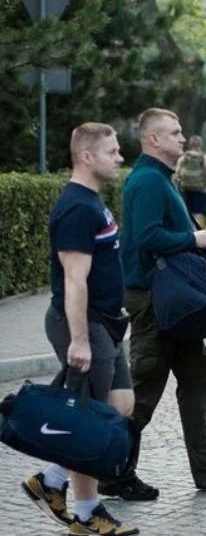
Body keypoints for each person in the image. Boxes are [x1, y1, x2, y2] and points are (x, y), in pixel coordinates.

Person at [104, 108, 206, 501]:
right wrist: (193, 240)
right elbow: (147, 237)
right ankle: (111, 471)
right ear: (152, 139)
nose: (182, 137)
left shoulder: (161, 178)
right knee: (143, 389)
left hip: (176, 299)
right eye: (174, 132)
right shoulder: (147, 181)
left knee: (198, 379)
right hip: (155, 299)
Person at [20, 123, 140, 535]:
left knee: (120, 405)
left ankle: (51, 478)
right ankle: (88, 513)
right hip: (84, 324)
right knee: (89, 419)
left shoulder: (93, 202)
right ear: (87, 157)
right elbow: (74, 279)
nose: (120, 157)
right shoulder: (76, 208)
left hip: (106, 323)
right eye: (112, 151)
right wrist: (80, 340)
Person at [174, 135, 206, 227]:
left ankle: (189, 234)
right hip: (201, 190)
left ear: (190, 144)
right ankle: (199, 234)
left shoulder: (183, 158)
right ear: (200, 144)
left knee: (187, 214)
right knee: (199, 213)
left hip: (186, 189)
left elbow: (176, 174)